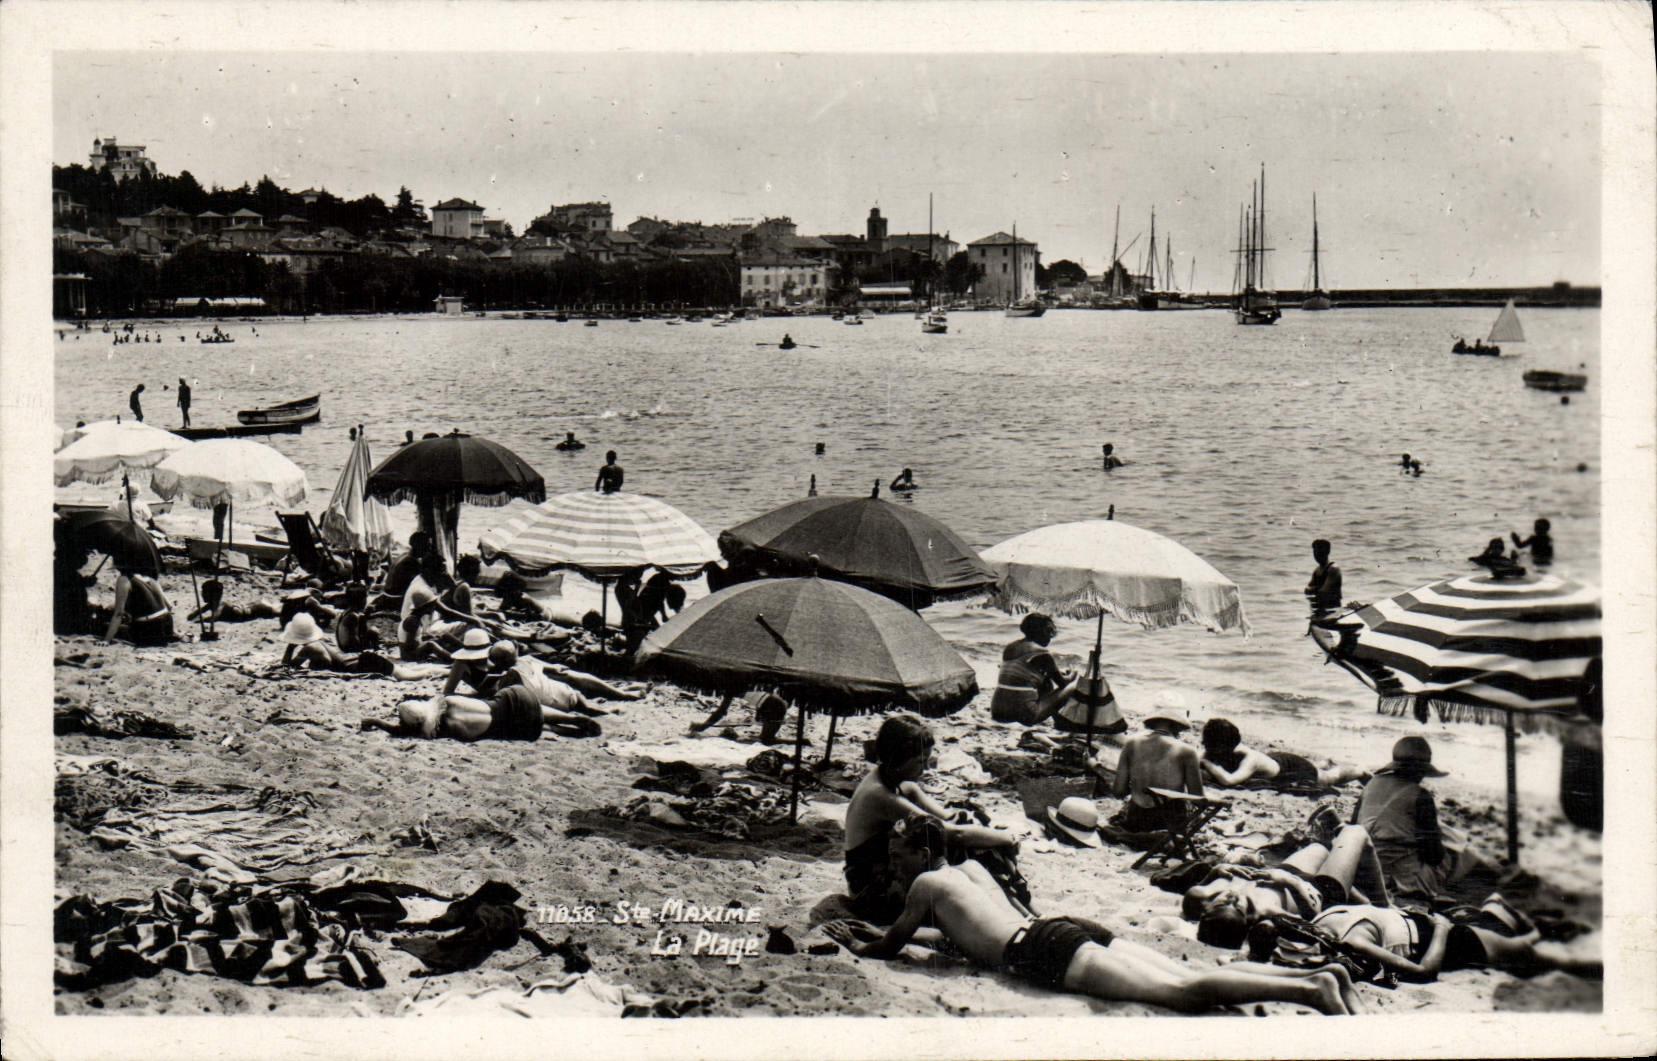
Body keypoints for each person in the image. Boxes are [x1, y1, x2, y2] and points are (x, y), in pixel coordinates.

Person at [824, 815, 1358, 1014]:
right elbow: (960, 936)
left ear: (921, 854)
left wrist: (859, 942)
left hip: (1040, 952)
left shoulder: (925, 883)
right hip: (1061, 928)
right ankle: (1318, 973)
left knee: (1183, 994)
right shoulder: (968, 872)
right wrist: (888, 933)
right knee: (1186, 973)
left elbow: (890, 946)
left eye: (899, 858)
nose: (895, 870)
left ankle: (1308, 993)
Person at [843, 716, 1019, 923]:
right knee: (964, 848)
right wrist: (1006, 837)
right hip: (870, 890)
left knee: (974, 839)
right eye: (920, 762)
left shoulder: (895, 782)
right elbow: (953, 834)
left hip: (883, 871)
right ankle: (1011, 907)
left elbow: (948, 821)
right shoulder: (879, 795)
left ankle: (1012, 905)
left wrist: (971, 823)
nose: (925, 769)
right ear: (897, 759)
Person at [1294, 894, 1601, 982]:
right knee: (1524, 954)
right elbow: (1425, 972)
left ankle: (1532, 929)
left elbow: (1375, 907)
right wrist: (1441, 928)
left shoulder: (1327, 916)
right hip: (1446, 942)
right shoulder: (1349, 937)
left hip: (1423, 924)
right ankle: (1540, 936)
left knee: (1503, 936)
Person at [1182, 824, 1394, 949]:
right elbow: (1315, 921)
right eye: (1238, 906)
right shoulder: (1267, 911)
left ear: (1206, 910)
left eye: (1223, 903)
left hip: (1287, 871)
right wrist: (1291, 883)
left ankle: (1361, 897)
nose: (1232, 897)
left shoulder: (1200, 895)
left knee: (1320, 847)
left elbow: (1194, 894)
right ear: (1248, 919)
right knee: (1356, 833)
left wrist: (1216, 871)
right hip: (1320, 892)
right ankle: (1383, 907)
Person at [1352, 736, 1495, 900]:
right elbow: (1434, 856)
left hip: (1363, 868)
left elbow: (1353, 826)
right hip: (1398, 881)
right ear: (1421, 770)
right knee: (1456, 853)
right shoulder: (1421, 796)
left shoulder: (1372, 784)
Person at [1107, 694, 1205, 832]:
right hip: (1169, 822)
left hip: (1136, 819)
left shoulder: (1132, 743)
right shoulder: (1187, 751)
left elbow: (1118, 791)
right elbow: (1198, 799)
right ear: (1179, 723)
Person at [365, 685, 599, 742]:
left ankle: (562, 729)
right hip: (513, 700)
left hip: (512, 727)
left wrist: (376, 722)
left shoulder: (444, 730)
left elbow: (398, 731)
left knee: (537, 725)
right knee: (532, 709)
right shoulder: (448, 701)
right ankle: (570, 717)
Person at [1199, 718, 1368, 790]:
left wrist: (1208, 764)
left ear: (1225, 747)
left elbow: (1229, 781)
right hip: (1275, 760)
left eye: (1211, 747)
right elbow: (1199, 756)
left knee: (1329, 778)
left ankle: (1359, 769)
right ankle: (1322, 763)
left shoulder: (1250, 759)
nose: (1206, 749)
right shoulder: (1219, 747)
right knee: (1320, 769)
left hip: (1292, 770)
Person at [988, 613, 1080, 727]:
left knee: (1046, 681)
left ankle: (1057, 719)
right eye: (1049, 631)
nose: (1051, 636)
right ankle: (1062, 722)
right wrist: (1073, 673)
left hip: (998, 711)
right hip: (1024, 714)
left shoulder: (1010, 648)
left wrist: (1051, 674)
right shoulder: (1043, 653)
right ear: (1040, 631)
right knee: (1074, 686)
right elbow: (1062, 684)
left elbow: (1023, 674)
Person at [278, 613, 397, 675]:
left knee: (406, 675)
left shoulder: (309, 648)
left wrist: (290, 647)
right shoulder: (323, 640)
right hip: (363, 659)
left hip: (361, 665)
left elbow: (287, 665)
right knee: (404, 673)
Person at [103, 563, 174, 645]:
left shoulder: (124, 579)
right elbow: (169, 606)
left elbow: (119, 613)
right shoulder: (150, 578)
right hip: (167, 626)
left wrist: (106, 640)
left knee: (106, 627)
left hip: (149, 629)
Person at [691, 688, 789, 744]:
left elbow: (721, 712)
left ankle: (802, 742)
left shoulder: (730, 689)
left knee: (767, 740)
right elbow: (761, 696)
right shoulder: (741, 681)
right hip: (773, 702)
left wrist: (703, 727)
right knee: (766, 738)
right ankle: (800, 742)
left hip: (773, 705)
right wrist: (759, 712)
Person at [186, 579, 280, 624]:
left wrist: (198, 621)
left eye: (204, 593)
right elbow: (195, 614)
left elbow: (213, 618)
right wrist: (193, 615)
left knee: (277, 613)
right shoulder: (212, 604)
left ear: (213, 595)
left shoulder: (221, 605)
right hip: (252, 606)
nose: (202, 595)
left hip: (258, 608)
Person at [1304, 539, 1343, 613]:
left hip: (1333, 610)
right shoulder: (1316, 571)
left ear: (1328, 551)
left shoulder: (1333, 569)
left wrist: (1313, 590)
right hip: (1319, 610)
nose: (1317, 554)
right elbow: (1307, 590)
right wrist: (1314, 590)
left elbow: (1324, 592)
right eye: (1315, 552)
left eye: (1320, 551)